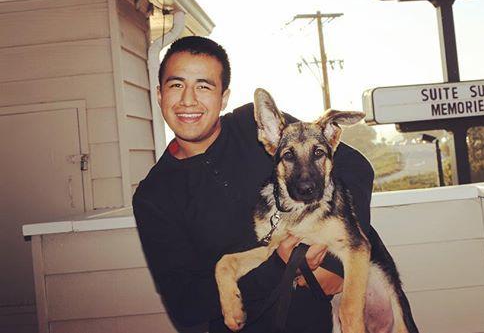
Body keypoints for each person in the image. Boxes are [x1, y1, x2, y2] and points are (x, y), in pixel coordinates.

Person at [133, 36, 374, 333]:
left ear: (223, 97)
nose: (188, 100)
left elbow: (356, 169)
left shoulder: (251, 124)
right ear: (159, 94)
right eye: (176, 85)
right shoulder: (154, 196)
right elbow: (186, 305)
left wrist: (334, 267)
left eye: (204, 86)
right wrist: (279, 269)